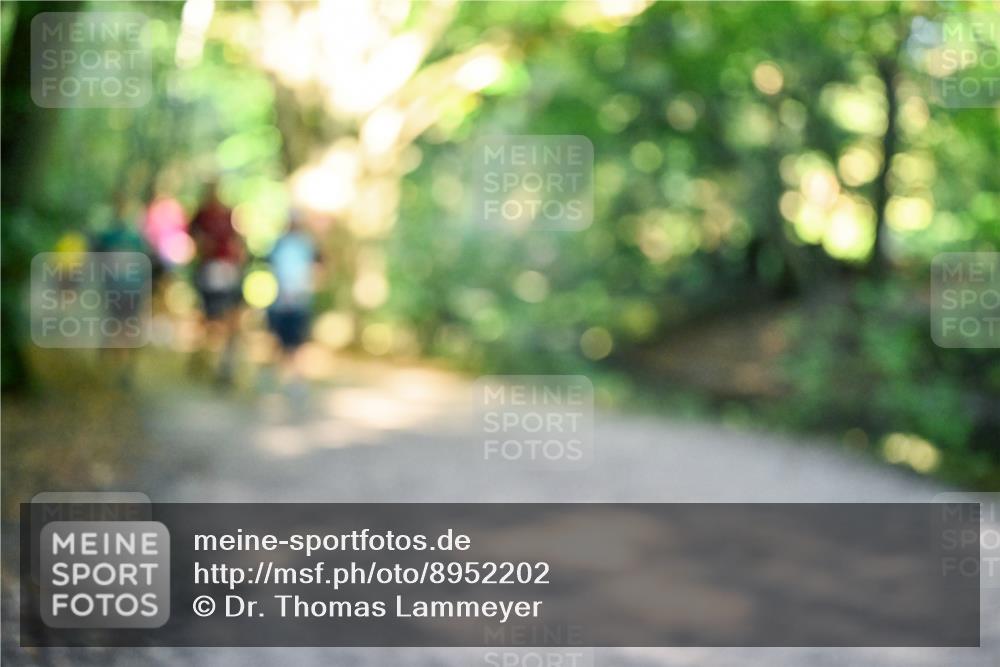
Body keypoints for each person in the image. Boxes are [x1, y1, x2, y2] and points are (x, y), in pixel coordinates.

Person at [189, 180, 245, 386]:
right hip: (210, 270)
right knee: (209, 319)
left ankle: (225, 366)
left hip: (228, 271)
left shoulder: (228, 214)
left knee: (231, 318)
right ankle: (203, 360)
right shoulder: (201, 215)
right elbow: (192, 238)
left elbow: (238, 240)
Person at [266, 210, 321, 390]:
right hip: (281, 300)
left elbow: (319, 265)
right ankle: (275, 378)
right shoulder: (279, 244)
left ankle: (296, 380)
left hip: (300, 299)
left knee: (298, 341)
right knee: (278, 339)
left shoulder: (307, 244)